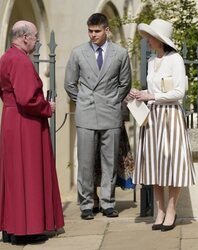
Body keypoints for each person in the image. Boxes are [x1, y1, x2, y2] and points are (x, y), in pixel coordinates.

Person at [0, 20, 64, 244]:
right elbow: (27, 98)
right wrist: (47, 107)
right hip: (26, 123)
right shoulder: (21, 61)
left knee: (14, 176)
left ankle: (11, 227)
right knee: (29, 174)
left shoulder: (5, 58)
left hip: (10, 119)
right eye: (35, 37)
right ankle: (28, 229)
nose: (37, 41)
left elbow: (6, 93)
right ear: (25, 37)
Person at [130, 19, 196, 231]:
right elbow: (152, 92)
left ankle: (171, 210)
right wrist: (139, 95)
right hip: (153, 117)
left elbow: (179, 93)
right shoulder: (150, 61)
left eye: (151, 37)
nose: (148, 40)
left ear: (159, 39)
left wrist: (152, 95)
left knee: (172, 163)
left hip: (171, 117)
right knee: (154, 163)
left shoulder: (175, 59)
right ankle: (159, 211)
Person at [64, 13, 131, 220]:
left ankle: (108, 203)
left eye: (97, 31)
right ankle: (86, 204)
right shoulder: (78, 53)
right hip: (86, 113)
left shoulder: (120, 53)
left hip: (111, 113)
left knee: (110, 160)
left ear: (106, 30)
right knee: (85, 161)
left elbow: (125, 83)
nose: (93, 35)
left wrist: (111, 100)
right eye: (90, 31)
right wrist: (84, 100)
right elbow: (69, 84)